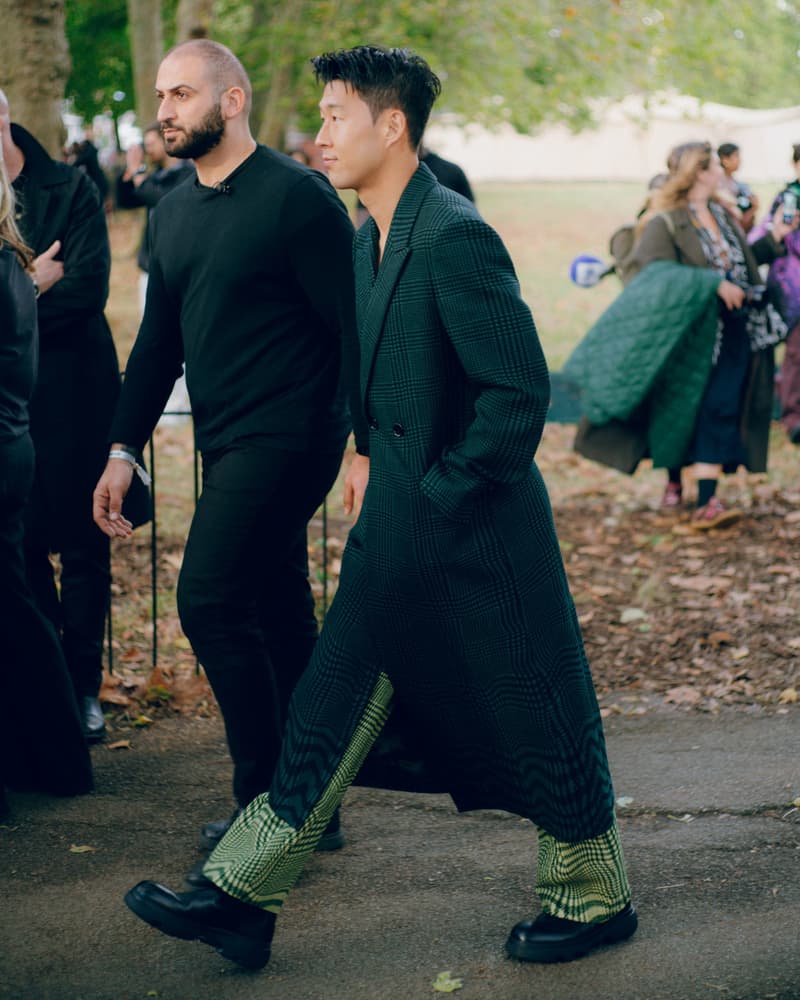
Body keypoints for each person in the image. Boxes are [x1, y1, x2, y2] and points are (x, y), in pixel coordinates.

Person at [123, 44, 637, 972]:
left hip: (479, 534)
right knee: (325, 704)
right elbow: (373, 368)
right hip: (396, 525)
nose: (318, 132)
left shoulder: (452, 233)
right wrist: (369, 455)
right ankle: (241, 895)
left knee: (541, 712)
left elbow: (518, 393)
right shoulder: (366, 234)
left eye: (334, 115)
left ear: (389, 125)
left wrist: (437, 493)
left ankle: (596, 897)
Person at [92, 40, 358, 870]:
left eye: (182, 94)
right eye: (160, 96)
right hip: (224, 438)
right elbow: (158, 346)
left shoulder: (298, 199)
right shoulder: (172, 210)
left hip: (292, 436)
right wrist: (121, 448)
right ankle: (315, 799)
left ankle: (266, 808)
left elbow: (355, 329)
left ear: (233, 101)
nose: (164, 110)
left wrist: (366, 444)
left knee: (208, 599)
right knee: (279, 611)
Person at [0, 90, 149, 745]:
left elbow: (88, 288)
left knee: (87, 545)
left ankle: (86, 688)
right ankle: (52, 688)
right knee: (25, 545)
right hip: (16, 396)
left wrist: (18, 301)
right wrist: (35, 283)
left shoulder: (72, 185)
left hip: (80, 388)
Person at [566, 141, 793, 527]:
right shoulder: (666, 220)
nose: (722, 170)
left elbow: (743, 264)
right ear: (700, 172)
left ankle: (708, 500)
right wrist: (710, 284)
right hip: (688, 337)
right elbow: (650, 276)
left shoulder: (721, 214)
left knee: (720, 404)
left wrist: (775, 238)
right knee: (685, 407)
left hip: (735, 329)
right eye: (713, 166)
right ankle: (679, 482)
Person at [0, 149, 93, 819]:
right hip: (12, 449)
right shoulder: (13, 267)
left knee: (15, 606)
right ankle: (53, 758)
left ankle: (51, 759)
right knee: (16, 606)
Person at [116, 124, 195, 312]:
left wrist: (137, 174)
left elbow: (164, 200)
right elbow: (127, 202)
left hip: (178, 269)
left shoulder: (188, 174)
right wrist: (129, 172)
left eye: (151, 144)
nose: (147, 149)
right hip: (151, 267)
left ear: (167, 141)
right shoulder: (156, 175)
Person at [751, 143, 800, 445]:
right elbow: (762, 237)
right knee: (796, 354)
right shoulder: (788, 200)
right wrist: (781, 230)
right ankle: (793, 416)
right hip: (792, 289)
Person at [717, 142, 759, 234]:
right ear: (725, 160)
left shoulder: (738, 184)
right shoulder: (718, 187)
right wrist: (753, 208)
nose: (740, 160)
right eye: (736, 156)